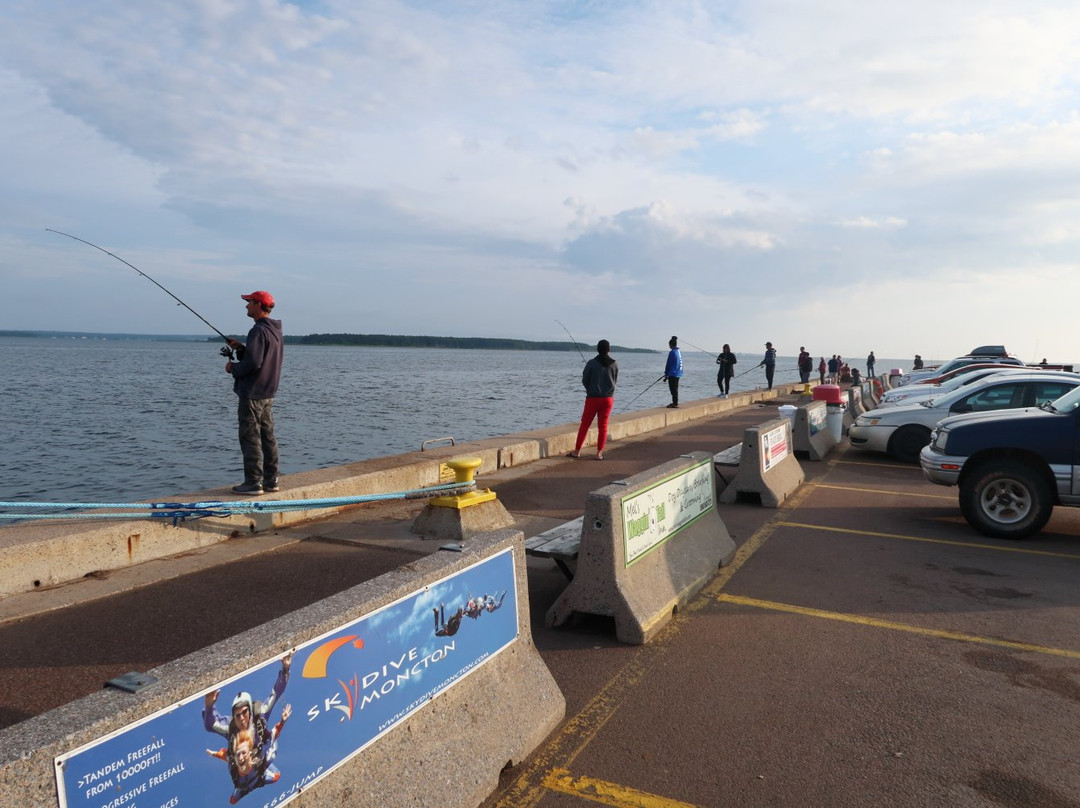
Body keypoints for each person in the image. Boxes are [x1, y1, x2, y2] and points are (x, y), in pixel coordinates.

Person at [226, 291, 284, 495]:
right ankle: (271, 480)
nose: (246, 306)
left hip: (252, 393)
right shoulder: (274, 330)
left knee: (250, 436)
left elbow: (254, 363)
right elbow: (260, 357)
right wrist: (241, 348)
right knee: (267, 436)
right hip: (268, 392)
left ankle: (253, 482)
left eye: (249, 302)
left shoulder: (258, 331)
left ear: (258, 305)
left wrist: (233, 368)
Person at [569, 340, 618, 459]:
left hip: (593, 398)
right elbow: (615, 380)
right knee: (603, 426)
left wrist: (590, 389)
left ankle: (577, 451)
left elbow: (585, 380)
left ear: (597, 349)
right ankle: (599, 453)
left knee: (585, 425)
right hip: (608, 399)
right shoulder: (615, 364)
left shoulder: (591, 363)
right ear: (608, 349)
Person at [662, 336, 683, 408]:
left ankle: (675, 403)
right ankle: (675, 402)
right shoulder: (678, 352)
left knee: (673, 389)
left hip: (673, 373)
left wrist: (666, 374)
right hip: (678, 373)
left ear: (671, 344)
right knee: (675, 389)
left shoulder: (672, 352)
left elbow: (669, 364)